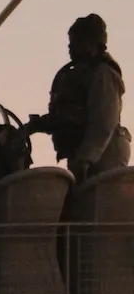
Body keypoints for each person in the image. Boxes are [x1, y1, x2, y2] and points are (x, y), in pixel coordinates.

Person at [28, 14, 131, 183]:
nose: (71, 46)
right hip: (84, 151)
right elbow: (70, 116)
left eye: (77, 41)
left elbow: (103, 122)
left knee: (100, 204)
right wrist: (40, 124)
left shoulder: (103, 73)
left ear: (92, 43)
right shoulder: (78, 74)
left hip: (104, 152)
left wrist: (86, 158)